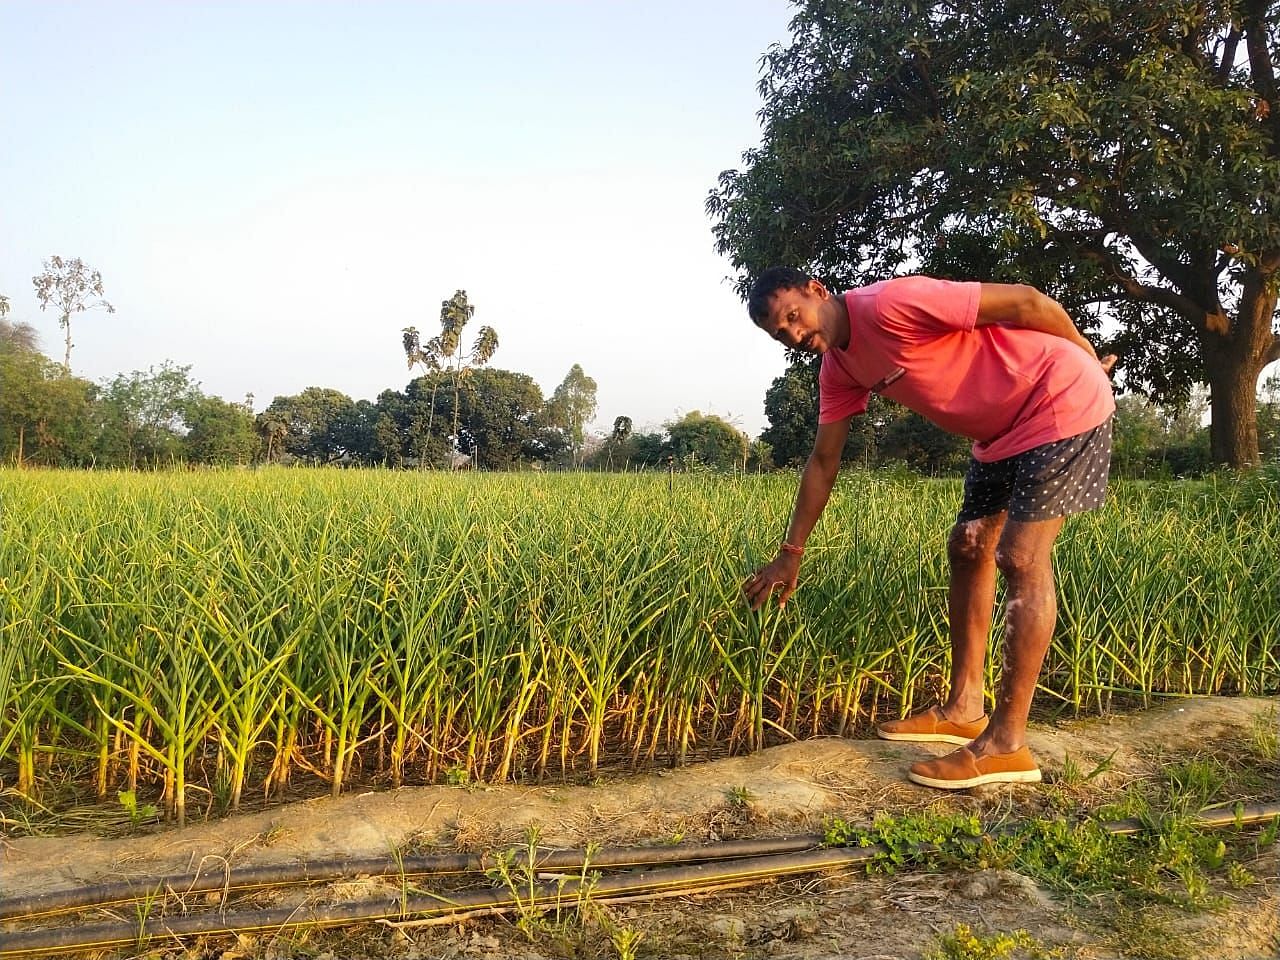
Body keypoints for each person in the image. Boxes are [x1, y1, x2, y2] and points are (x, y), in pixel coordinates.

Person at [742, 268, 1116, 790]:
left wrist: (1086, 357)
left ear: (817, 292)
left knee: (1020, 557)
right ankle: (964, 707)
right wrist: (791, 551)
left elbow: (1028, 302)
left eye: (793, 317)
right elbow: (823, 461)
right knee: (967, 547)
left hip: (1060, 397)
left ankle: (1007, 745)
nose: (795, 335)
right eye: (781, 334)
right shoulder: (838, 370)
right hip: (1000, 434)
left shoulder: (894, 303)